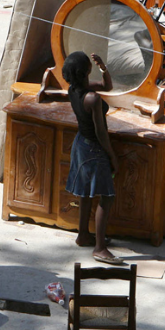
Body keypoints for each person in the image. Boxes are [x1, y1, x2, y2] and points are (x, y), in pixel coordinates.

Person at [62, 51, 123, 265]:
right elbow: (101, 132)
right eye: (90, 65)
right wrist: (112, 156)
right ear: (86, 71)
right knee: (106, 196)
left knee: (86, 194)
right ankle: (100, 248)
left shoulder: (76, 90)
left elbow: (107, 86)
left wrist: (104, 68)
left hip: (81, 145)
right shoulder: (92, 98)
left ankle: (83, 235)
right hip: (94, 149)